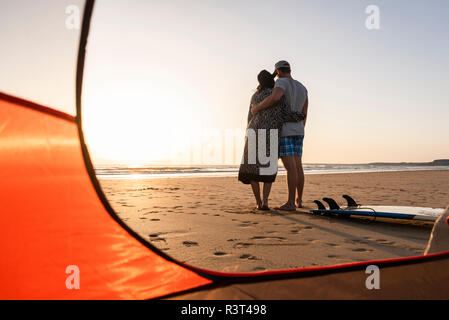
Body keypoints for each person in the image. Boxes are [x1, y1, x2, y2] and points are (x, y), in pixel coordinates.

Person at [238, 70, 304, 210]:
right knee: (267, 170)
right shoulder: (277, 95)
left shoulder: (255, 96)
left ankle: (259, 203)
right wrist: (300, 115)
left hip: (253, 133)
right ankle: (266, 202)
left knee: (252, 170)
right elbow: (285, 114)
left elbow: (249, 117)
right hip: (270, 134)